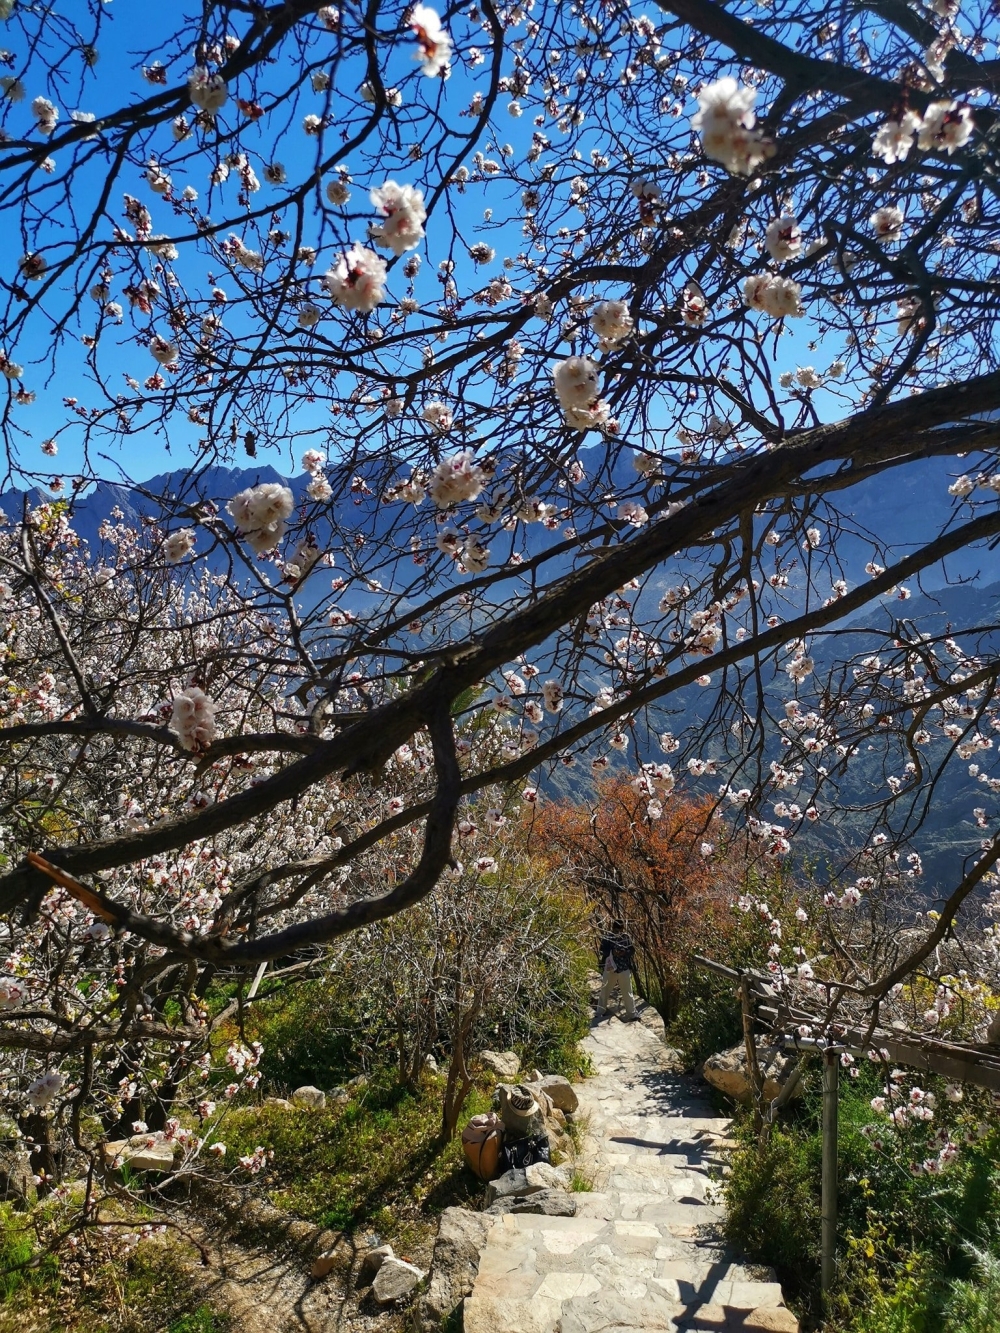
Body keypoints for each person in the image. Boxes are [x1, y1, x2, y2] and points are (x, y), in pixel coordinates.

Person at [596, 918, 636, 1019]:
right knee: (605, 991)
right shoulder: (608, 937)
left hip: (624, 968)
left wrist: (624, 953)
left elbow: (631, 950)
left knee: (628, 992)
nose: (619, 932)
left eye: (620, 930)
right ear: (613, 928)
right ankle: (600, 1012)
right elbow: (602, 950)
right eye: (617, 930)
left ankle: (632, 1014)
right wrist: (612, 952)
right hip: (610, 969)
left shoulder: (626, 937)